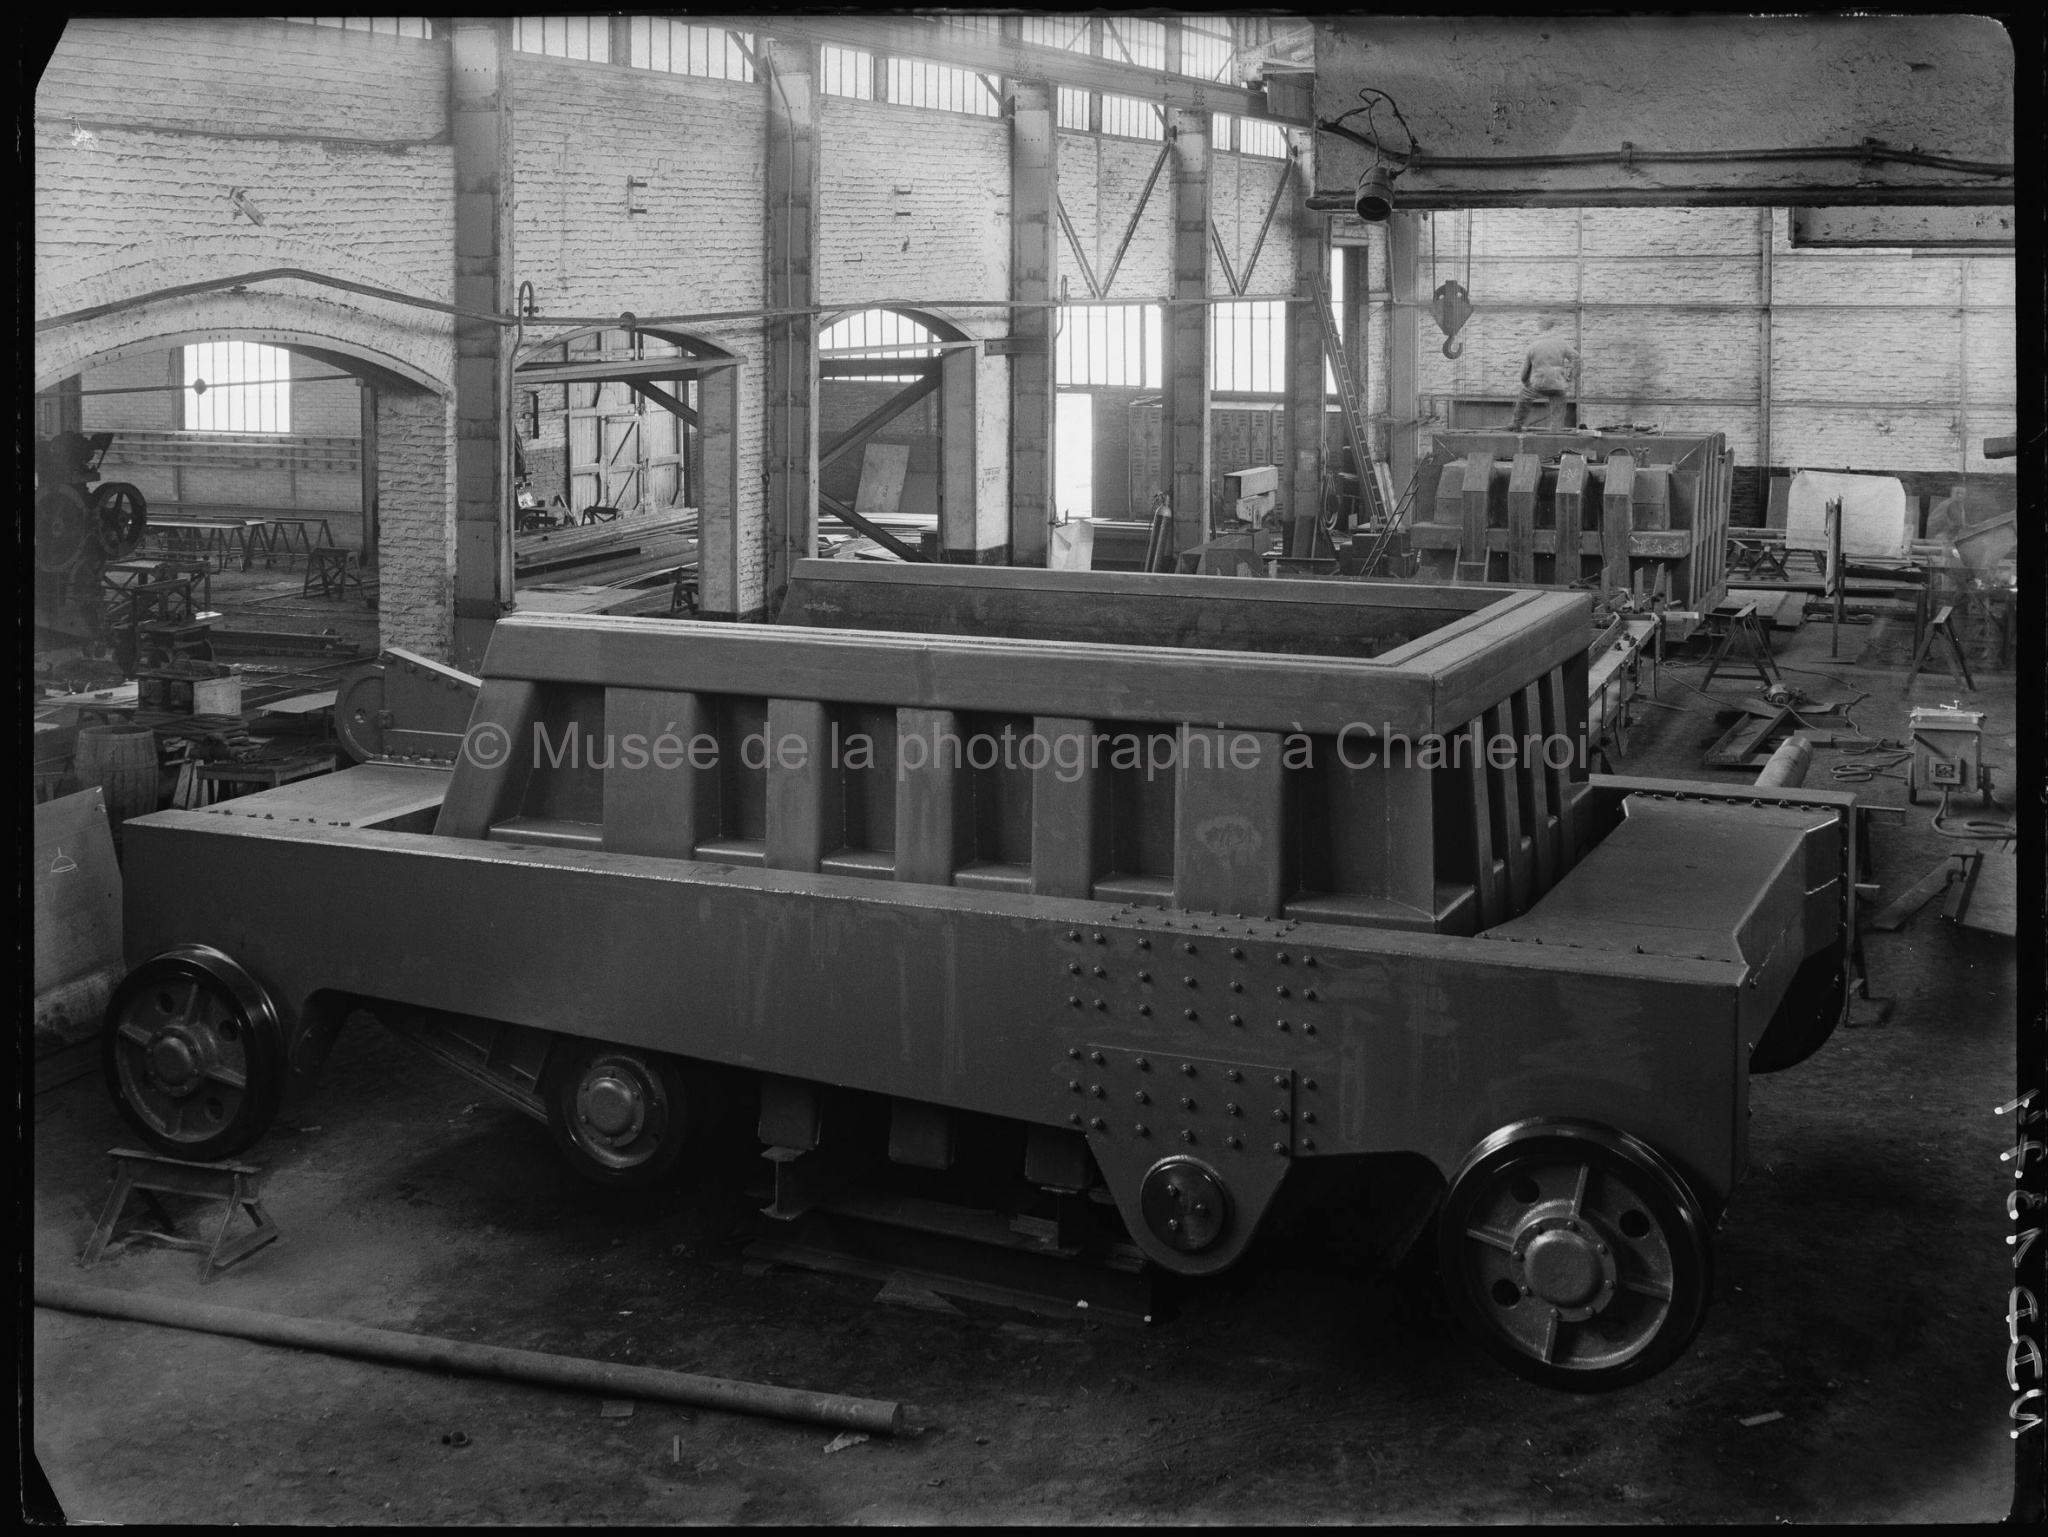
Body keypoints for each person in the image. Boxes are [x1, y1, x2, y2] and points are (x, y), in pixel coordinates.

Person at [1509, 317, 1577, 431]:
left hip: (1538, 383)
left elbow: (1525, 372)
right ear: (1552, 328)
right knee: (1558, 400)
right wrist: (1571, 376)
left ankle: (1516, 424)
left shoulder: (1533, 345)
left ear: (1540, 328)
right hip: (1557, 384)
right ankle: (1556, 429)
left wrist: (1525, 383)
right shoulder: (1562, 344)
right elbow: (1577, 359)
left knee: (1524, 395)